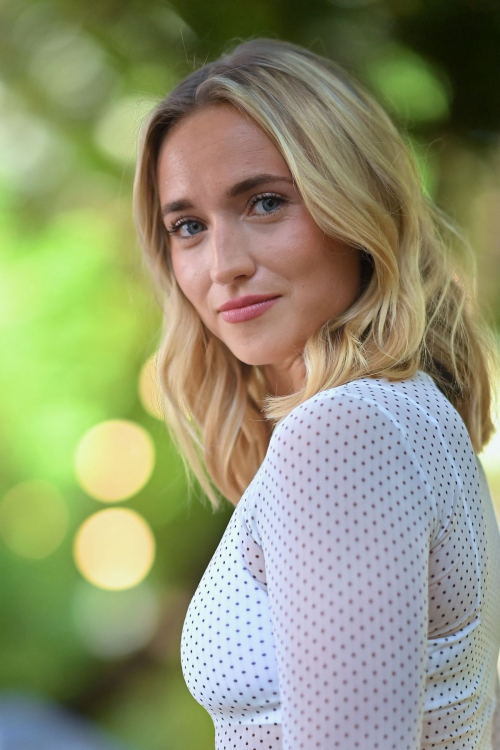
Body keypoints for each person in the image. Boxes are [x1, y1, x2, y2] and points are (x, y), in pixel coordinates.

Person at [133, 37, 500, 749]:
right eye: (188, 226)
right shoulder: (404, 417)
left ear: (358, 206)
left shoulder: (345, 435)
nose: (223, 265)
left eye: (266, 202)